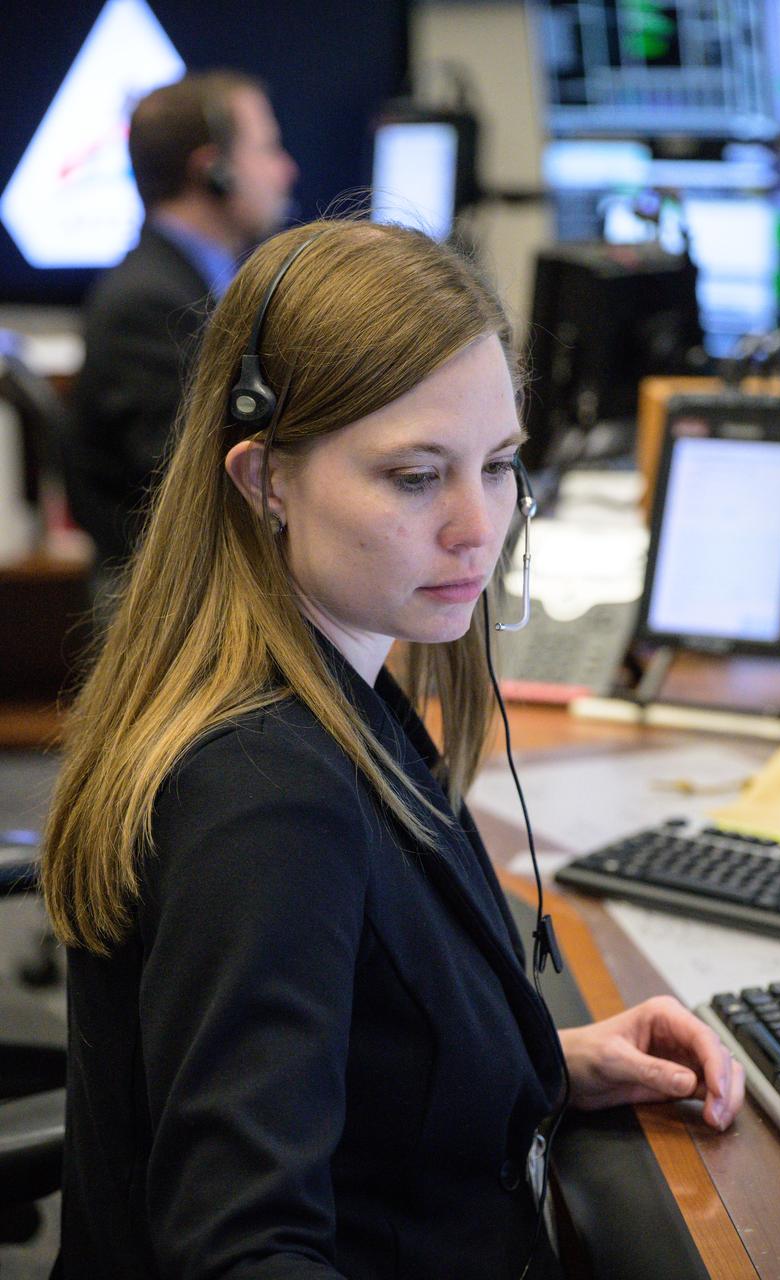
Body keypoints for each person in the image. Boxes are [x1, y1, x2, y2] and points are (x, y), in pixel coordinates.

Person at [41, 219, 744, 1280]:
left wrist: (543, 1060)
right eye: (416, 476)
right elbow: (247, 1251)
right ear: (265, 478)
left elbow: (358, 1041)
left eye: (500, 465)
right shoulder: (266, 794)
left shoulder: (336, 690)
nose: (479, 524)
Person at [67, 70, 298, 586]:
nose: (286, 170)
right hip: (169, 599)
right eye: (268, 148)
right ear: (213, 171)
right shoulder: (148, 304)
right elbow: (195, 481)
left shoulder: (206, 284)